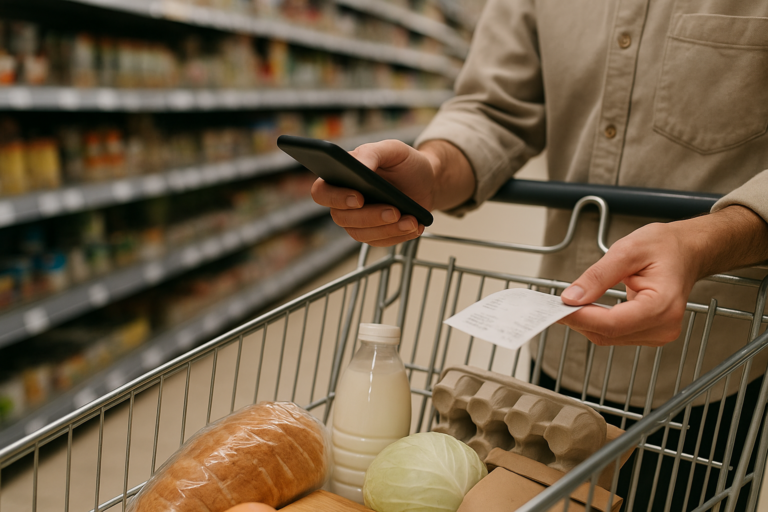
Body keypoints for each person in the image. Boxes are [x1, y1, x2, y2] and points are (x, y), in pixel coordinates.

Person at [312, 1, 768, 509]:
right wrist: (434, 170)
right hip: (555, 350)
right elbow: (493, 110)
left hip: (707, 368)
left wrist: (704, 242)